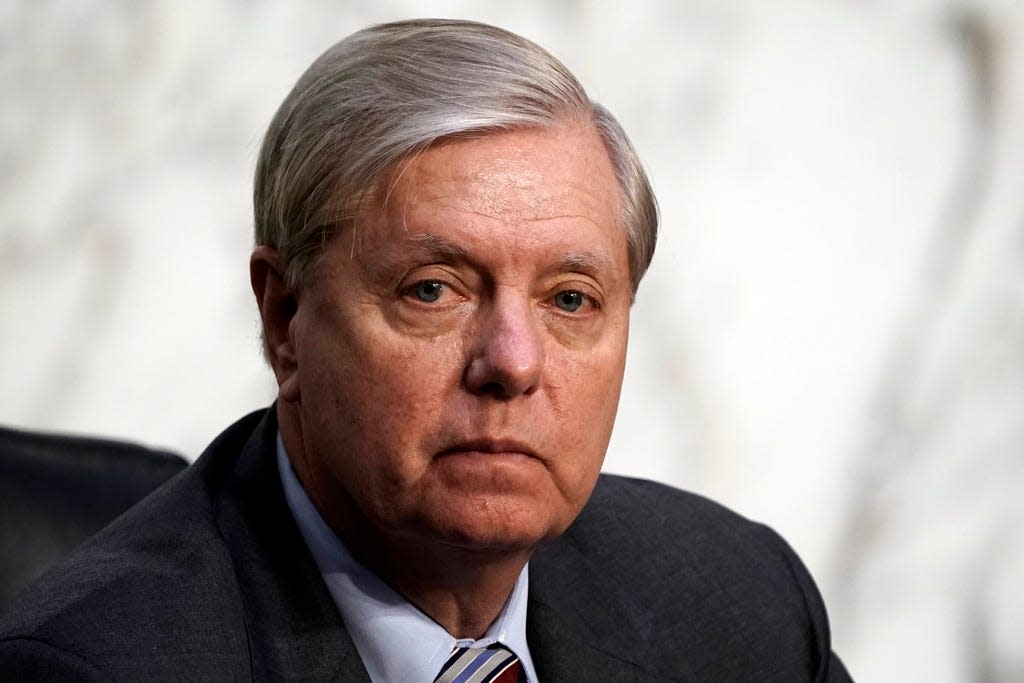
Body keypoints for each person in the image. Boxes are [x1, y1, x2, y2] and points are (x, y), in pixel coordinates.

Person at [0, 18, 852, 681]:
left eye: (570, 299)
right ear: (285, 316)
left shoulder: (741, 604)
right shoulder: (97, 671)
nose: (514, 363)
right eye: (433, 289)